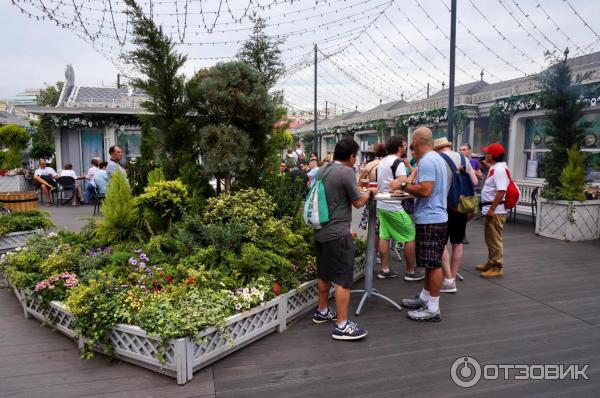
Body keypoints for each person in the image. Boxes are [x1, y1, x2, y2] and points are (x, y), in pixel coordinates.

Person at [313, 138, 372, 341]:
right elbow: (357, 202)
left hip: (320, 231)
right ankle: (342, 324)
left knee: (324, 274)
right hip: (338, 234)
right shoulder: (346, 172)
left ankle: (322, 310)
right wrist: (369, 193)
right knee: (343, 280)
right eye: (356, 156)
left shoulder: (323, 169)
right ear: (351, 156)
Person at [392, 127, 448, 322]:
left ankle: (433, 308)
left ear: (415, 142)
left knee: (433, 265)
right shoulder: (436, 158)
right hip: (436, 216)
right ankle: (425, 298)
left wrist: (403, 185)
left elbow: (426, 190)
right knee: (429, 263)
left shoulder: (428, 161)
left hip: (431, 218)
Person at [433, 138, 478, 293]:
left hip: (444, 205)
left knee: (442, 242)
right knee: (457, 243)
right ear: (449, 147)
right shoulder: (463, 158)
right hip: (461, 205)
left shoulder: (438, 159)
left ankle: (449, 279)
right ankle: (451, 277)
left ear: (438, 149)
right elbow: (475, 181)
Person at [375, 136, 419, 281]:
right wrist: (413, 173)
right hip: (394, 205)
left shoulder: (383, 161)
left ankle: (384, 268)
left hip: (381, 204)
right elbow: (402, 183)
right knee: (410, 236)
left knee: (384, 236)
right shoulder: (397, 162)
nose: (406, 148)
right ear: (400, 148)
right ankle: (410, 272)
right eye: (404, 146)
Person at [477, 143, 509, 278]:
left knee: (495, 239)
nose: (486, 155)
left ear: (493, 155)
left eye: (488, 153)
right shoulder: (497, 167)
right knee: (490, 238)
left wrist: (492, 209)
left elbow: (502, 190)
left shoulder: (499, 170)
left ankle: (497, 267)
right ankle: (491, 262)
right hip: (492, 210)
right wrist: (484, 164)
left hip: (495, 211)